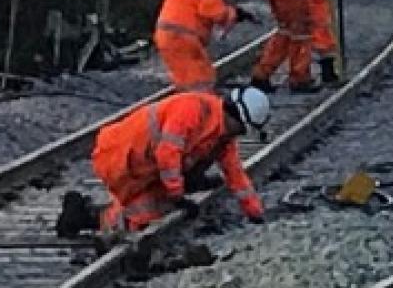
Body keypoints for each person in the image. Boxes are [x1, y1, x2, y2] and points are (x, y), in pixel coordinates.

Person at [80, 86, 271, 236]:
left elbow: (235, 174)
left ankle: (85, 216)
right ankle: (91, 217)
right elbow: (167, 154)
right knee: (145, 215)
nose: (239, 135)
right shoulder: (194, 109)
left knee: (146, 213)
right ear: (236, 117)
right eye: (241, 130)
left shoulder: (222, 137)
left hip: (144, 167)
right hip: (119, 158)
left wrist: (255, 213)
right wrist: (177, 195)